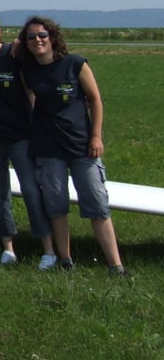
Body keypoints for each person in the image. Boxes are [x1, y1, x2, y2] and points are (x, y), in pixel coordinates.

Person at [18, 16, 128, 275]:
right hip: (48, 147)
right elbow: (30, 101)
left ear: (52, 37)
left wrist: (96, 136)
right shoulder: (28, 71)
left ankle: (116, 265)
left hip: (82, 145)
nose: (37, 40)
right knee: (56, 204)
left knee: (96, 203)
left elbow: (95, 99)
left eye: (42, 35)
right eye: (31, 37)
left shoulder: (75, 63)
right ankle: (66, 261)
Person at [0, 12, 56, 268]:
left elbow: (35, 79)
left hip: (21, 136)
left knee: (31, 191)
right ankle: (8, 248)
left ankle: (48, 249)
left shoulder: (15, 56)